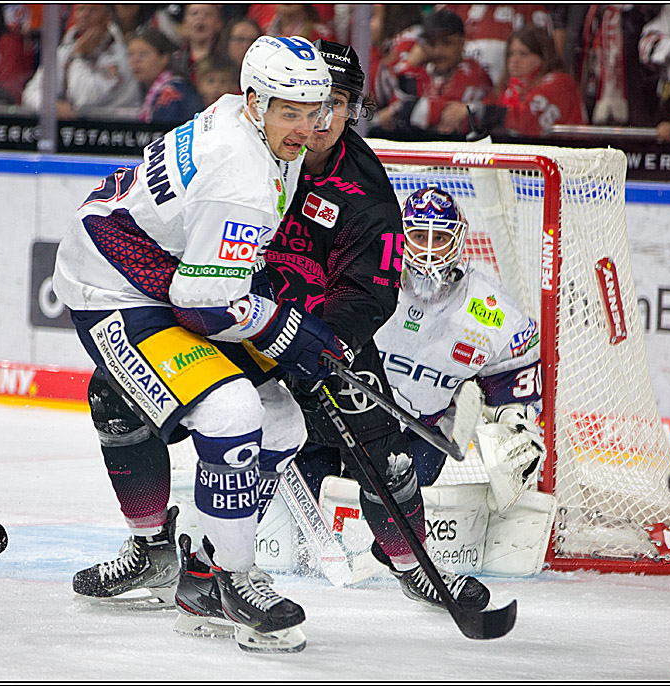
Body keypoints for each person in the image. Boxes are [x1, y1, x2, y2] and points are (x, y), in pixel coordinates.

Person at [53, 36, 341, 654]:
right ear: (257, 101)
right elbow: (202, 304)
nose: (306, 126)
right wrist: (284, 329)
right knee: (233, 409)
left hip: (165, 269)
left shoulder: (243, 117)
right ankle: (231, 580)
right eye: (289, 110)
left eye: (314, 110)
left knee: (282, 421)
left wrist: (272, 314)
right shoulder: (240, 176)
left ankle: (204, 572)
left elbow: (212, 274)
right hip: (110, 284)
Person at [219, 40, 490, 615]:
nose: (318, 118)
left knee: (384, 457)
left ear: (352, 109)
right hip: (235, 316)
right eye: (309, 100)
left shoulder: (367, 195)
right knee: (213, 427)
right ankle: (175, 552)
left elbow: (371, 294)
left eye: (335, 103)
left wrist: (318, 343)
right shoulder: (247, 147)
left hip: (318, 334)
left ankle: (413, 565)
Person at [371, 186, 545, 569]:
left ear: (459, 240)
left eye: (440, 237)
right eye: (419, 236)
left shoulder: (489, 308)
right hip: (354, 417)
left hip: (422, 432)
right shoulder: (369, 275)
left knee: (407, 485)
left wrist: (515, 430)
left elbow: (513, 379)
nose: (430, 248)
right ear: (401, 235)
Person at [375, 9, 493, 137]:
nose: (438, 51)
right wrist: (410, 65)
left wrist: (399, 112)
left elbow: (435, 115)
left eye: (446, 43)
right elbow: (391, 102)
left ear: (461, 42)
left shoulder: (472, 72)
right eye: (432, 43)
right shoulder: (422, 71)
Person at [20, 3, 139, 119]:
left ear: (108, 17)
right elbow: (31, 92)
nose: (85, 14)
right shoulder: (64, 50)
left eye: (93, 9)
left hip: (116, 128)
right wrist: (50, 105)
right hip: (74, 130)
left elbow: (84, 100)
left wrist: (79, 56)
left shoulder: (121, 54)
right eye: (81, 9)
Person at [486, 25, 585, 137]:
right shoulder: (507, 89)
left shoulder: (559, 83)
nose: (514, 60)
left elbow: (524, 125)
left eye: (523, 54)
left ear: (543, 57)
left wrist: (483, 114)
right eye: (511, 54)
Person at [127, 27, 204, 125]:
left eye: (142, 54)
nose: (135, 61)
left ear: (164, 58)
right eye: (130, 55)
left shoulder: (173, 91)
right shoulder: (153, 89)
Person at [172, 4, 224, 83]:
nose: (200, 18)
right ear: (184, 23)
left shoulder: (226, 58)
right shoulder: (175, 60)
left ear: (218, 23)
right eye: (194, 13)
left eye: (207, 14)